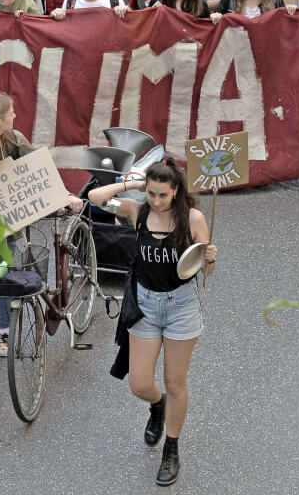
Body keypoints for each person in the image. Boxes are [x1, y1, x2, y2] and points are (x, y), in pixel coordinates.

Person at [88, 160, 216, 487]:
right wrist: (130, 184)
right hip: (145, 305)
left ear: (176, 192)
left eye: (163, 195)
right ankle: (157, 406)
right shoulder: (137, 211)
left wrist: (211, 258)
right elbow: (95, 198)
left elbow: (206, 270)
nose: (156, 201)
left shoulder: (193, 219)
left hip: (181, 307)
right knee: (140, 384)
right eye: (151, 193)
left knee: (175, 382)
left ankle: (171, 449)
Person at [0, 93, 83, 392]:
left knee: (3, 284)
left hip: (3, 236)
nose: (15, 117)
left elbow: (40, 176)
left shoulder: (14, 141)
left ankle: (4, 330)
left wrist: (66, 196)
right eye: (11, 113)